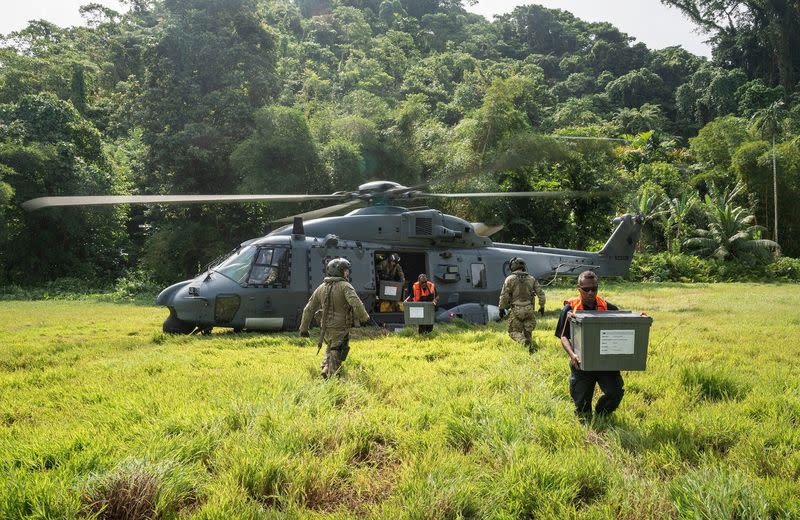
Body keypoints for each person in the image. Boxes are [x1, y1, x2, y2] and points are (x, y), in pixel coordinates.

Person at [554, 270, 623, 421]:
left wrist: (640, 320)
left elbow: (623, 329)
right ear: (578, 288)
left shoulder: (610, 308)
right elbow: (563, 336)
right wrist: (573, 355)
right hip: (581, 362)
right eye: (586, 289)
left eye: (594, 288)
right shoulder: (570, 309)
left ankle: (602, 414)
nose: (591, 292)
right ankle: (585, 419)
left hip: (606, 362)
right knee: (582, 405)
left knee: (615, 392)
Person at [299, 258, 370, 379]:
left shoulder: (321, 287)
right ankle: (332, 377)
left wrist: (304, 329)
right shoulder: (345, 286)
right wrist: (364, 317)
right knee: (338, 349)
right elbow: (356, 303)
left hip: (325, 327)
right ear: (339, 272)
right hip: (340, 327)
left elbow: (308, 309)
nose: (347, 273)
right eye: (345, 271)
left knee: (331, 346)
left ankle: (325, 368)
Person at [498, 257, 546, 351]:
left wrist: (501, 308)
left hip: (516, 309)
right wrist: (542, 306)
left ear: (513, 266)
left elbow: (504, 295)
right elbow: (541, 293)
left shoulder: (509, 279)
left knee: (513, 331)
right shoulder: (531, 279)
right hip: (529, 309)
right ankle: (530, 349)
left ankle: (524, 342)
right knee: (528, 331)